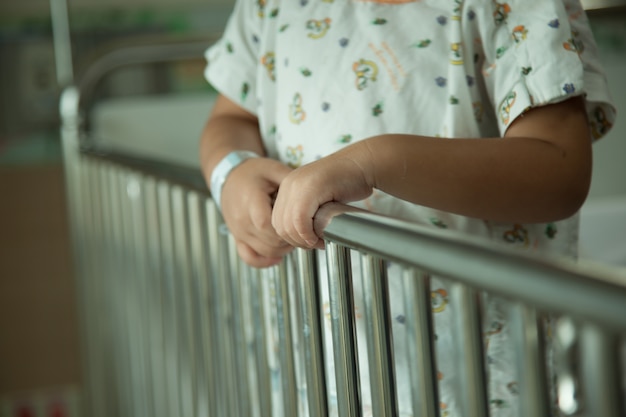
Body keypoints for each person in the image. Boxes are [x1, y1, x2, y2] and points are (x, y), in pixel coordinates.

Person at [199, 0, 616, 415]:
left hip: (476, 374)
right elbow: (231, 118)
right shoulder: (270, 7)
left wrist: (375, 162)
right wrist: (231, 172)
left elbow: (557, 171)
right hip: (323, 363)